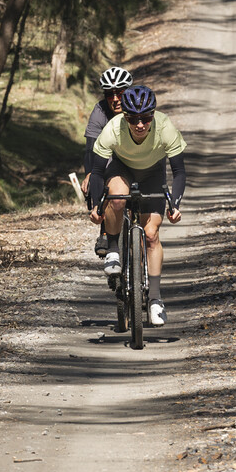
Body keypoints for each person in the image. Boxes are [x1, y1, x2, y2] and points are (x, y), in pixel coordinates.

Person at [89, 84, 186, 327]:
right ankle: (113, 249)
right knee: (118, 198)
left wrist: (174, 204)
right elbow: (98, 172)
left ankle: (155, 299)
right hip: (122, 168)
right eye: (133, 118)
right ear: (125, 117)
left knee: (152, 234)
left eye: (145, 118)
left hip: (152, 173)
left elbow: (179, 171)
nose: (140, 124)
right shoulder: (113, 129)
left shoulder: (165, 128)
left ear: (153, 115)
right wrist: (97, 206)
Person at [80, 66, 133, 259]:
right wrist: (88, 173)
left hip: (135, 157)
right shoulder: (100, 110)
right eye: (110, 94)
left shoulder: (139, 106)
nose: (115, 99)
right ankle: (105, 229)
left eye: (120, 93)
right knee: (101, 171)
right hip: (110, 156)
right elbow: (91, 146)